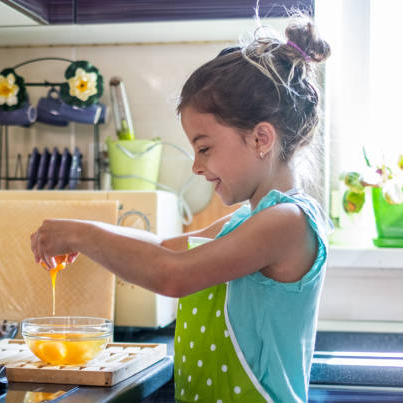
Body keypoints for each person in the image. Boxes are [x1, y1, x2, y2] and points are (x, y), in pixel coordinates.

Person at [31, 14, 332, 403]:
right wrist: (83, 230)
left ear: (261, 138)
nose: (196, 165)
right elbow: (165, 245)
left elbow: (172, 274)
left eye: (204, 148)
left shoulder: (287, 223)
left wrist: (81, 235)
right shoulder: (251, 219)